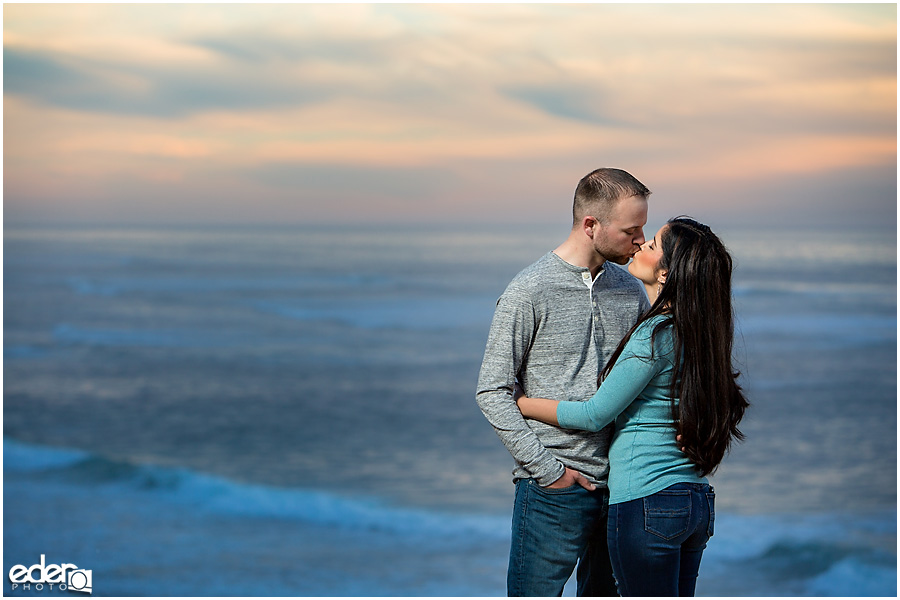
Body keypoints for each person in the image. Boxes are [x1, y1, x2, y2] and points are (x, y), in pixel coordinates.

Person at [515, 216, 750, 597]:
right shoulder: (702, 333)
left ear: (666, 273)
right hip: (695, 502)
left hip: (647, 501)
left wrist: (522, 402)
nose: (641, 246)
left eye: (653, 245)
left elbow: (594, 415)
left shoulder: (655, 334)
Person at [476, 168, 652, 596]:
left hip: (621, 491)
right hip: (554, 491)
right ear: (591, 225)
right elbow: (492, 391)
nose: (641, 240)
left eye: (644, 229)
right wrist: (549, 472)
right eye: (631, 230)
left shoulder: (631, 291)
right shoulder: (529, 290)